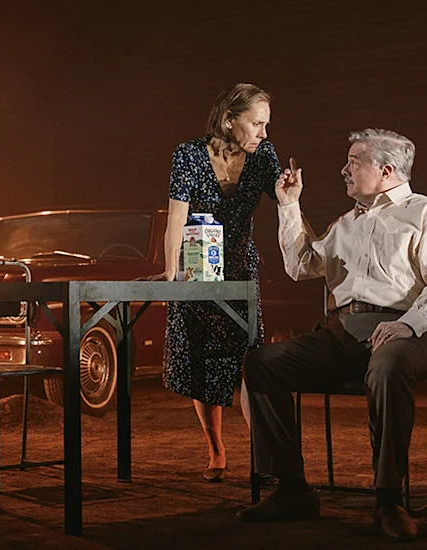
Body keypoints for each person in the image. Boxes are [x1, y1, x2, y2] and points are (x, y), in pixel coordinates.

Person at [236, 129, 427, 541]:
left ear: (386, 170)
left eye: (354, 162)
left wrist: (408, 324)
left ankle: (388, 500)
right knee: (263, 362)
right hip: (342, 334)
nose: (344, 169)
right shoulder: (346, 223)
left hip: (409, 332)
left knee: (389, 365)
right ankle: (292, 490)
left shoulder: (426, 213)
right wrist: (289, 204)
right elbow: (301, 266)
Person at [160, 83, 282, 483]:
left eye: (266, 124)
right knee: (202, 362)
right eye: (257, 123)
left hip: (241, 268)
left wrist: (311, 240)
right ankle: (215, 448)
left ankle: (265, 454)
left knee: (251, 360)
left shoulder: (263, 155)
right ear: (229, 120)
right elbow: (176, 216)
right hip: (196, 267)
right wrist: (171, 271)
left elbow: (287, 202)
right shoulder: (189, 154)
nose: (264, 133)